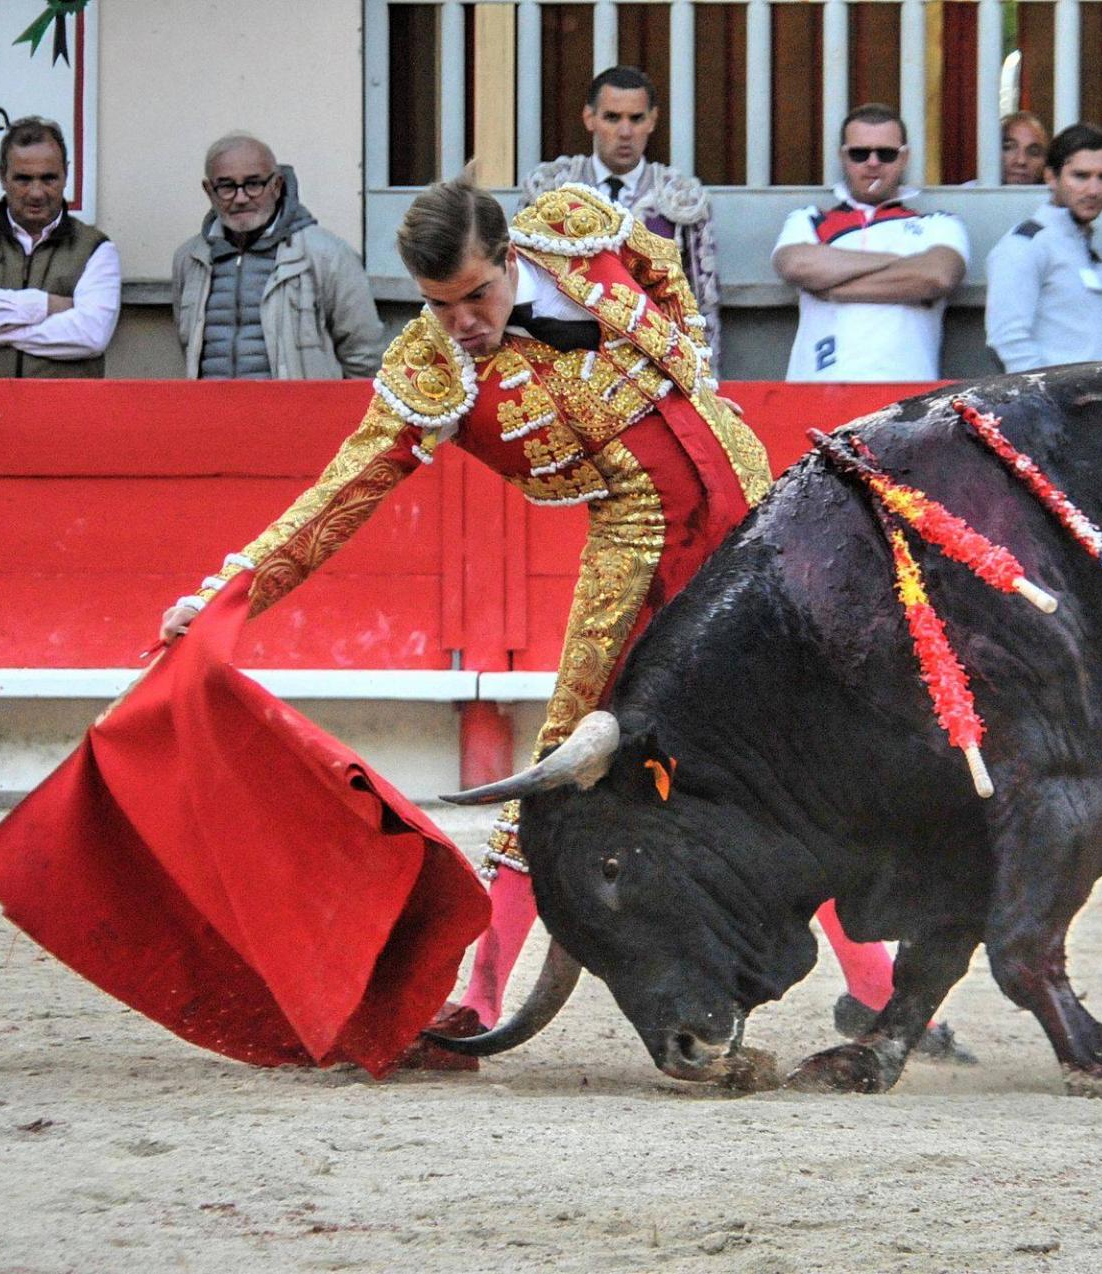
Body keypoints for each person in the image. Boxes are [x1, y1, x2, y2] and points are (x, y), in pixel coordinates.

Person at [158, 178, 961, 1059]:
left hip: (762, 523)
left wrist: (691, 363)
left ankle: (883, 997)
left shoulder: (576, 229)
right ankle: (478, 995)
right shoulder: (431, 371)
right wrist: (224, 595)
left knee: (803, 762)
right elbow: (340, 495)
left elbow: (660, 266)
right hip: (645, 557)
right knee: (562, 761)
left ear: (511, 255)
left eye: (477, 295)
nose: (463, 321)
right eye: (440, 304)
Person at [523, 66, 723, 362]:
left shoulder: (680, 196)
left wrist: (705, 378)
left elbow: (702, 302)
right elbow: (524, 284)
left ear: (652, 121)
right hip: (564, 356)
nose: (625, 132)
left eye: (636, 118)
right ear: (589, 119)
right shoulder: (550, 189)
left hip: (654, 358)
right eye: (612, 117)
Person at [772, 103, 969, 382]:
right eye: (860, 153)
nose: (873, 162)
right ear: (843, 157)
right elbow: (796, 265)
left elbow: (937, 276)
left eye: (886, 154)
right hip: (817, 387)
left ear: (904, 158)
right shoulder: (809, 219)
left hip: (906, 394)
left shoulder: (939, 223)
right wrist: (900, 262)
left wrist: (834, 290)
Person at [171, 133, 383, 379]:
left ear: (276, 185)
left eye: (253, 184)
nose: (241, 198)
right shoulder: (190, 259)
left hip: (298, 414)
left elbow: (364, 358)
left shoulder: (328, 255)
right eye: (227, 187)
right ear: (209, 190)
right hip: (211, 414)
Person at [0, 116, 120, 377]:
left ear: (66, 174)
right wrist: (45, 306)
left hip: (62, 415)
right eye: (23, 179)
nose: (36, 192)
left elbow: (91, 333)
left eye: (48, 178)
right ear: (2, 176)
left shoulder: (95, 249)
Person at [985, 123, 1102, 372]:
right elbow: (1006, 340)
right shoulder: (1026, 244)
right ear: (1050, 177)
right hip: (1054, 404)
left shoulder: (1085, 247)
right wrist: (1047, 400)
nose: (1094, 190)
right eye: (1080, 176)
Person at [1001, 112, 1050, 186]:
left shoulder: (1059, 195)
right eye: (1009, 147)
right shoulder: (977, 195)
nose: (1021, 161)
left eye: (1034, 152)